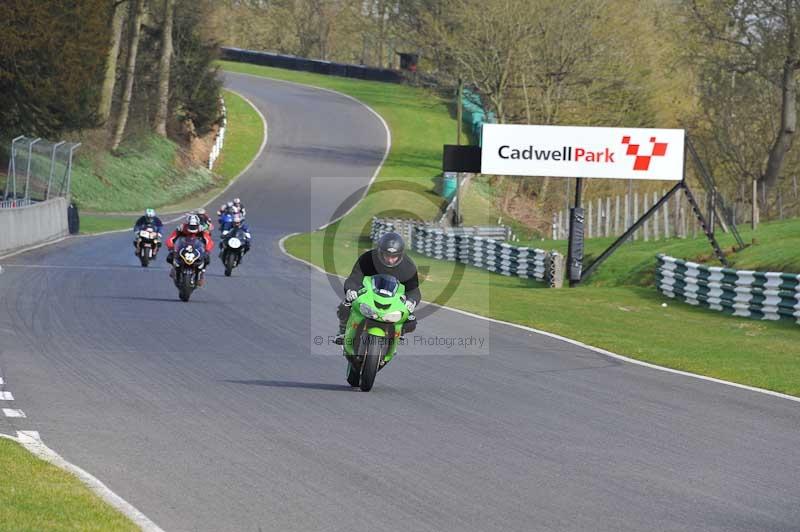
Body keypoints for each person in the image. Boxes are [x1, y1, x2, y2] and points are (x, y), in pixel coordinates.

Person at [334, 232, 420, 344]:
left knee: (411, 321)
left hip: (393, 299)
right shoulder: (367, 259)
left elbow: (414, 290)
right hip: (368, 294)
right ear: (380, 252)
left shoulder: (408, 266)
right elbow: (354, 278)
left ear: (400, 255)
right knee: (345, 306)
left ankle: (398, 335)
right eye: (387, 255)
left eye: (394, 257)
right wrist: (351, 290)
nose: (390, 260)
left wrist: (411, 301)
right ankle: (343, 330)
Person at [165, 214, 214, 284]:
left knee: (207, 259)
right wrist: (171, 248)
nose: (193, 228)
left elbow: (209, 241)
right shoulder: (181, 228)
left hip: (197, 248)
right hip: (183, 247)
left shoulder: (202, 229)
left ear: (197, 225)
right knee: (169, 257)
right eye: (191, 226)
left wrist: (207, 250)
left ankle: (201, 274)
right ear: (187, 224)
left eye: (194, 226)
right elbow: (170, 238)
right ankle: (174, 268)